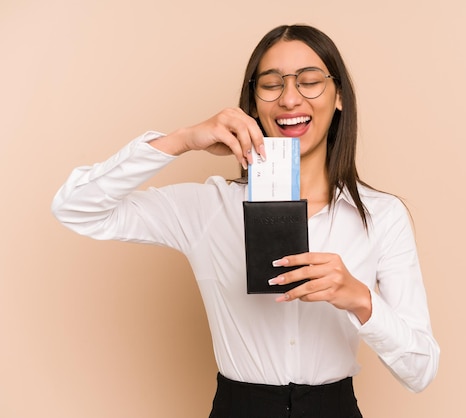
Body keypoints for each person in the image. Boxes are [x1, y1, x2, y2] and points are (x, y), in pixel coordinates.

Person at [52, 24, 439, 418]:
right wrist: (182, 140)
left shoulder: (381, 216)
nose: (290, 98)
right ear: (252, 103)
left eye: (309, 82)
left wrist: (359, 298)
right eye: (271, 85)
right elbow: (75, 207)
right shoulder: (208, 206)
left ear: (339, 96)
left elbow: (421, 369)